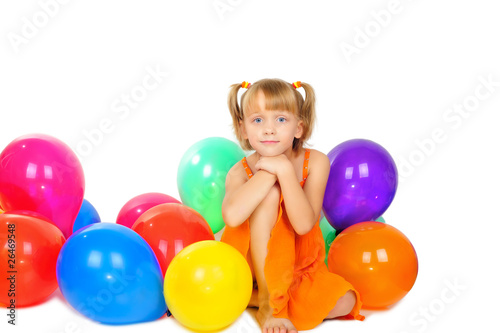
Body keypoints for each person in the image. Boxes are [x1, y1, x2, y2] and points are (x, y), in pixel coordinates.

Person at [221, 78, 364, 333]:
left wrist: (285, 171)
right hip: (257, 267)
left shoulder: (316, 162)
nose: (269, 129)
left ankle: (251, 299)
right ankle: (268, 300)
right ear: (243, 130)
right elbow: (232, 218)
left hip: (297, 267)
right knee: (269, 194)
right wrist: (267, 174)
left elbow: (304, 224)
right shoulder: (239, 171)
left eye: (281, 120)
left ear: (299, 127)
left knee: (346, 300)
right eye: (257, 120)